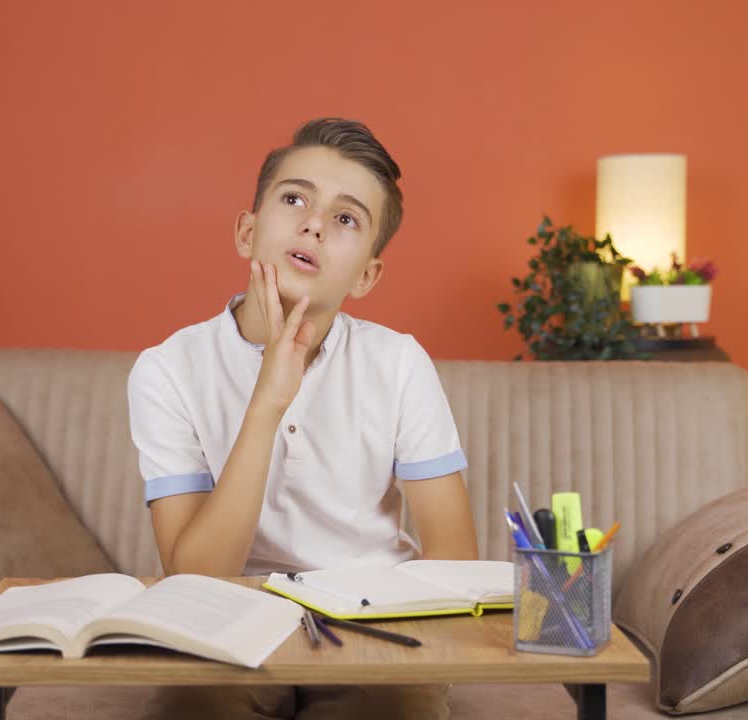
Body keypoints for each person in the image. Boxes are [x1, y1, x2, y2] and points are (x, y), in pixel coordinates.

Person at [127, 117, 477, 719]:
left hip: (373, 619)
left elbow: (455, 558)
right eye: (294, 199)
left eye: (346, 219)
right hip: (227, 620)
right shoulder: (166, 369)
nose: (313, 223)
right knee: (196, 709)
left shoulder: (397, 363)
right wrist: (267, 401)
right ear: (247, 230)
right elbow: (196, 576)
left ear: (366, 274)